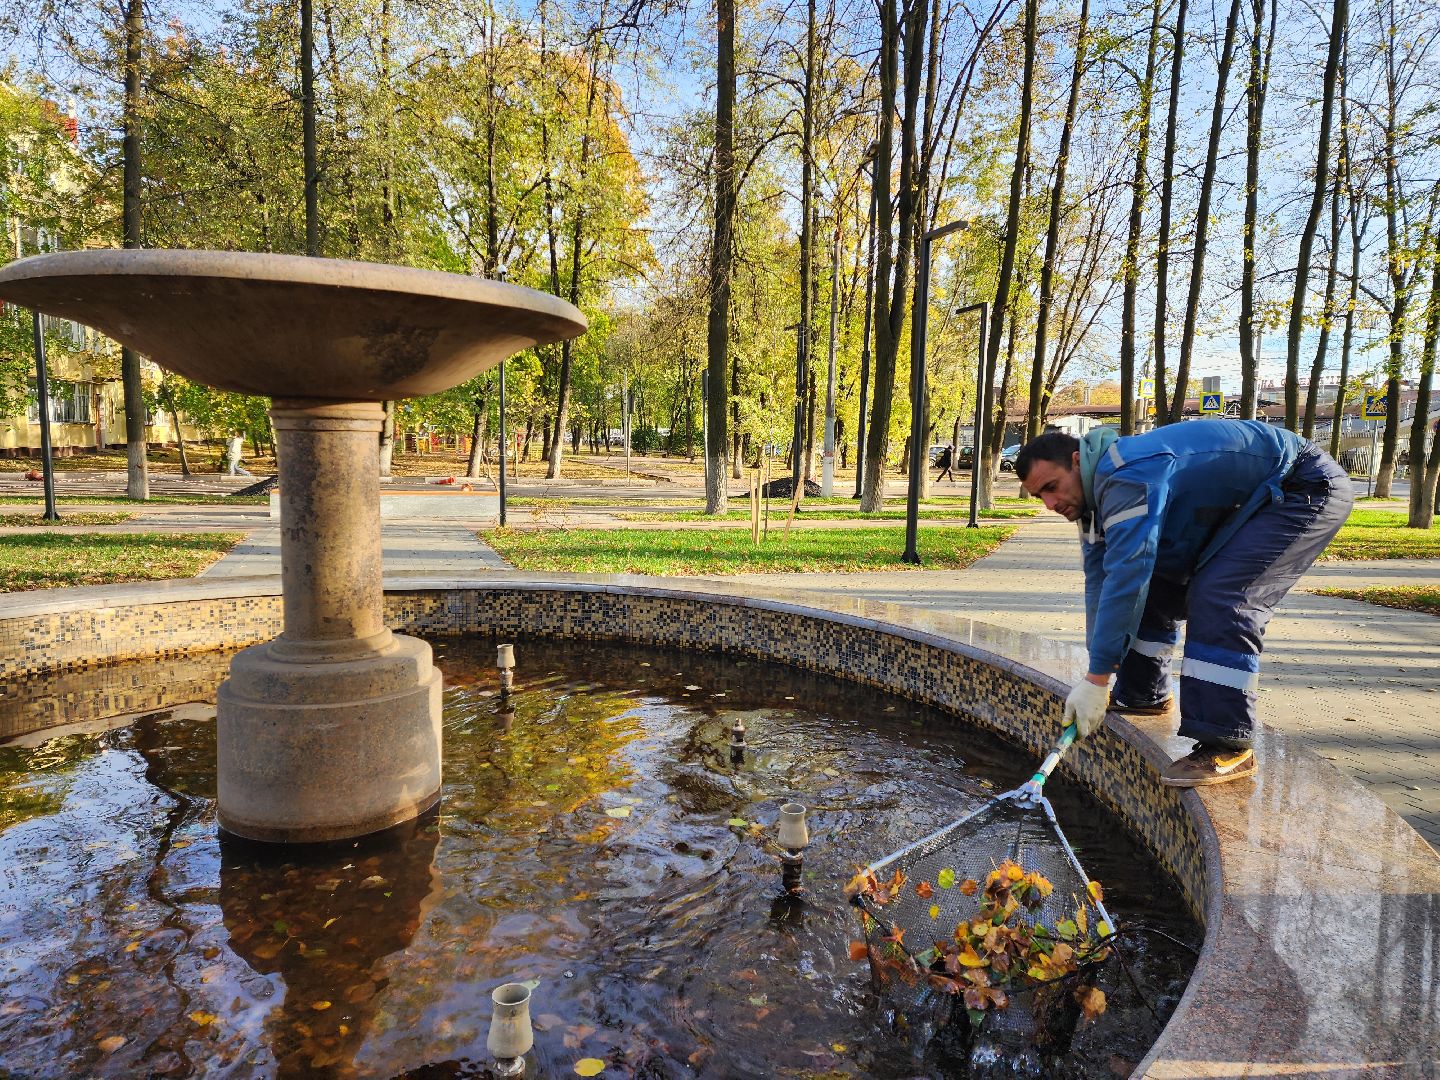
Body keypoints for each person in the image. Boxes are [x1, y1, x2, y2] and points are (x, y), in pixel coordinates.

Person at [1016, 420, 1352, 787]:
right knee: (1159, 584)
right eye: (1039, 497)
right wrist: (1096, 675)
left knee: (1223, 597)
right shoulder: (1093, 503)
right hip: (1255, 499)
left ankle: (1228, 743)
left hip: (1302, 487)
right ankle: (1144, 694)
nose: (1050, 504)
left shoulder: (1127, 474)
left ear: (1077, 461)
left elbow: (1128, 575)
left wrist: (1097, 679)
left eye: (1052, 487)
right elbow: (1101, 583)